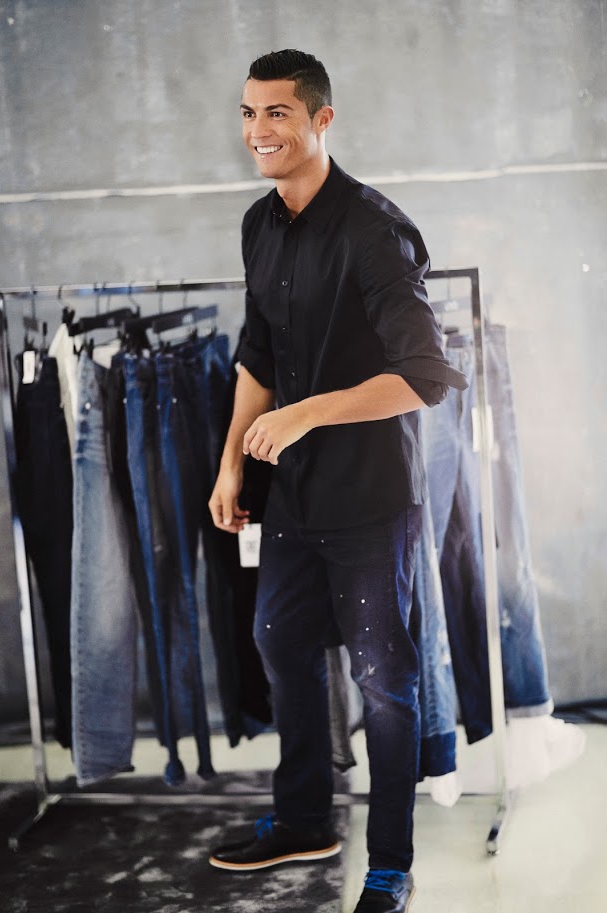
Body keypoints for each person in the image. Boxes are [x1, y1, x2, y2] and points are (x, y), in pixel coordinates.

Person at [207, 49, 467, 913]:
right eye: (248, 113)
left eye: (277, 113)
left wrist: (309, 413)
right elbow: (258, 352)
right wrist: (231, 458)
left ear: (322, 119)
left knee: (383, 682)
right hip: (290, 495)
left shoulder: (373, 230)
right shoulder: (259, 223)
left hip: (370, 500)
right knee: (279, 644)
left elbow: (425, 377)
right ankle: (304, 819)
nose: (258, 131)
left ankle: (389, 863)